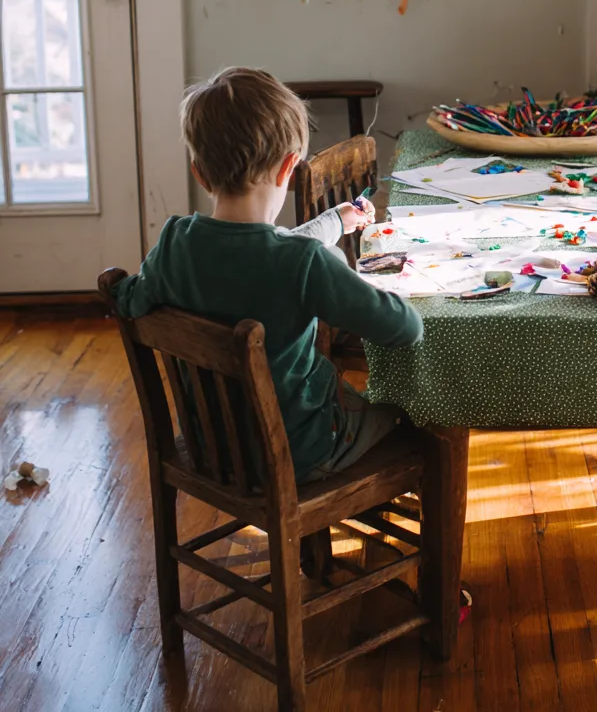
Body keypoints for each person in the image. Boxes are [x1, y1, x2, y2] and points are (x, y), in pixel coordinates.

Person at [112, 67, 423, 481]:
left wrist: (333, 221)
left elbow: (131, 298)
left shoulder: (174, 244)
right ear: (289, 168)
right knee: (413, 414)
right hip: (300, 453)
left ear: (199, 172)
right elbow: (404, 329)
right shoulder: (304, 263)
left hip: (212, 449)